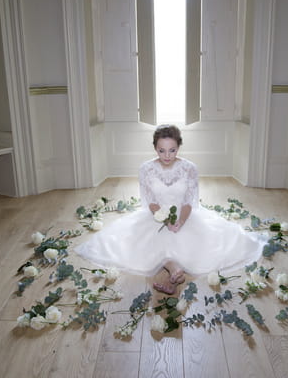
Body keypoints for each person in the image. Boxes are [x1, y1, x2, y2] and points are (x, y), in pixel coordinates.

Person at [75, 124, 263, 294]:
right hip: (156, 215)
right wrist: (164, 219)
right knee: (154, 238)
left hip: (185, 215)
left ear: (178, 147)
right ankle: (175, 272)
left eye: (172, 150)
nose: (167, 156)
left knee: (186, 240)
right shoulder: (146, 169)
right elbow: (150, 201)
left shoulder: (189, 168)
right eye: (161, 150)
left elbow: (189, 202)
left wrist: (180, 221)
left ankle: (174, 273)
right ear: (155, 148)